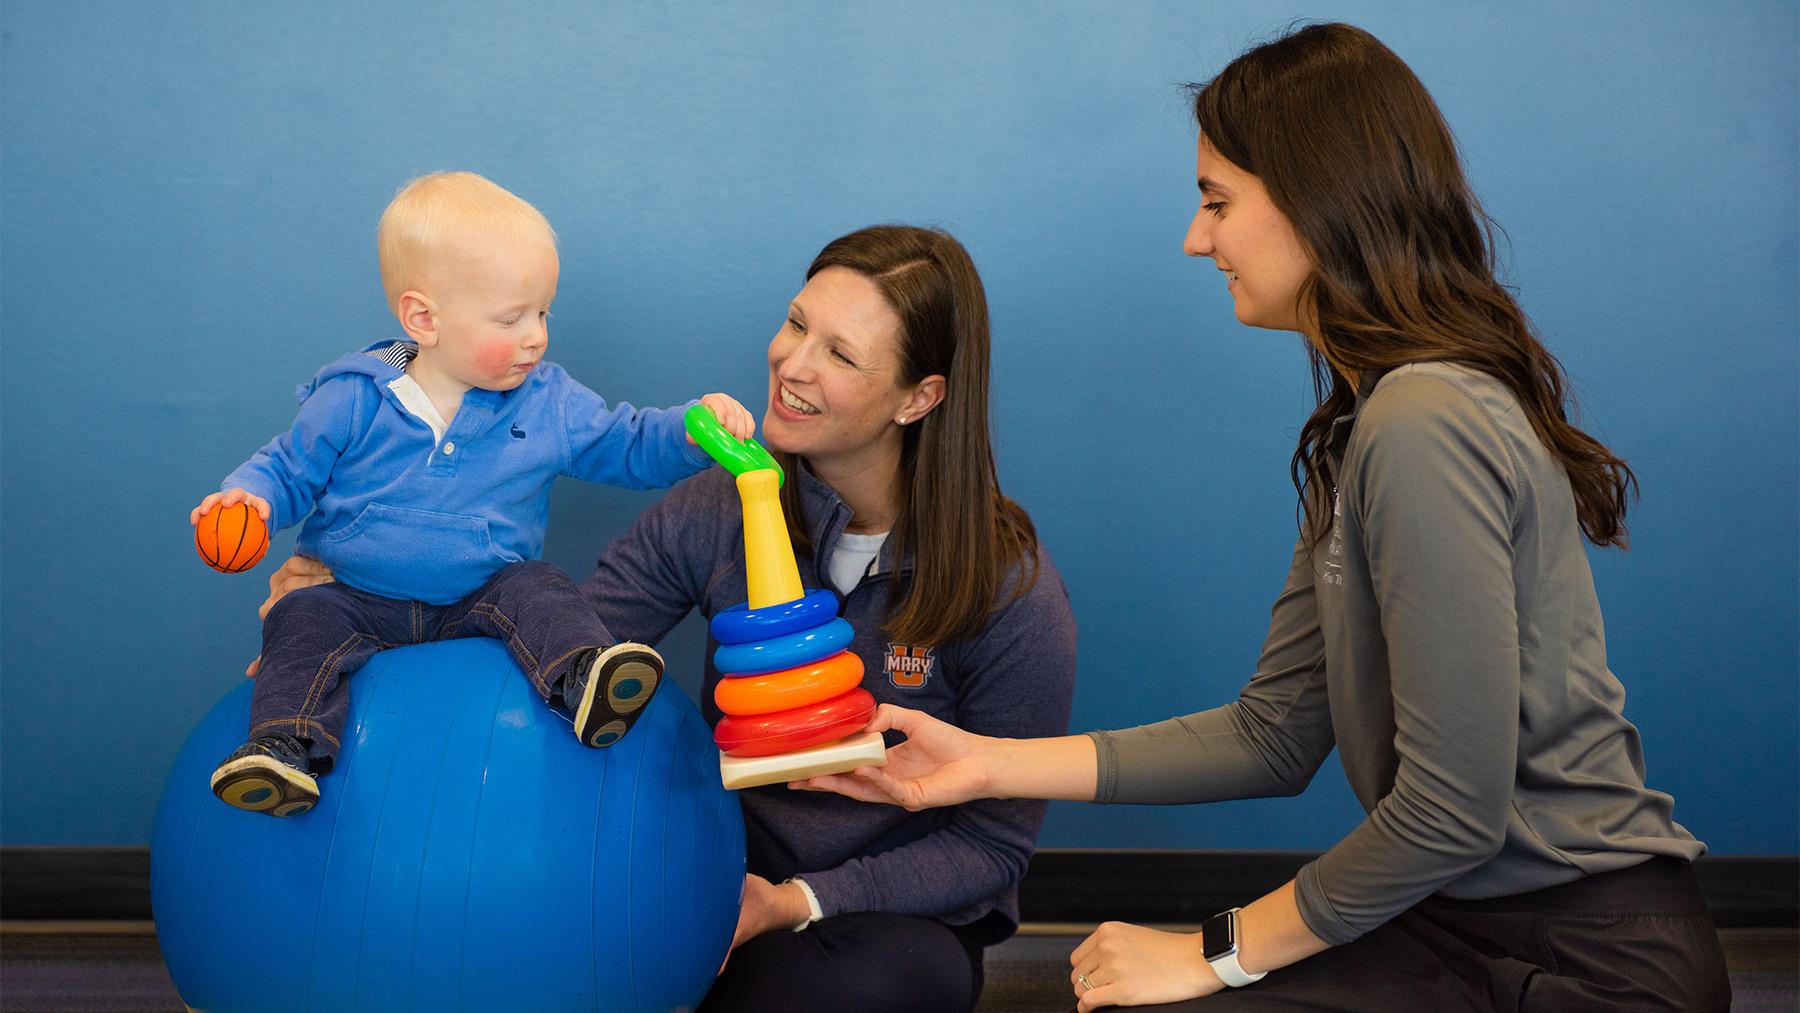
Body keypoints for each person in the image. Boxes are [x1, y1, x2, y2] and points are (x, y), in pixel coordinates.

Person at [800, 24, 1731, 1013]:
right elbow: (1276, 732)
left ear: (1319, 201)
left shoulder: (1424, 422)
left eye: (1218, 201)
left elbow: (1453, 811)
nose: (1198, 239)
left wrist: (1216, 952)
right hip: (1453, 917)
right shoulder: (1364, 429)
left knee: (1166, 993)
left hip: (1593, 962)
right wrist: (987, 762)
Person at [257, 223, 1079, 1011]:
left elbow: (990, 848)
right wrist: (355, 602)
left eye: (839, 353)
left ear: (918, 397)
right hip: (705, 869)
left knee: (834, 990)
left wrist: (794, 901)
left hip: (877, 917)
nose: (792, 362)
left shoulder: (1008, 588)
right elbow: (560, 644)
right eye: (796, 324)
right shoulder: (716, 508)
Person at [198, 171, 754, 818]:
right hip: (355, 597)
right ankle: (285, 748)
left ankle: (585, 678)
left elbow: (626, 443)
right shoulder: (352, 397)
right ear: (423, 319)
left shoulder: (548, 401)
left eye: (544, 311)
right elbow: (287, 470)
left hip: (478, 599)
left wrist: (693, 430)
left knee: (540, 585)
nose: (537, 336)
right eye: (512, 317)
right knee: (299, 618)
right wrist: (248, 502)